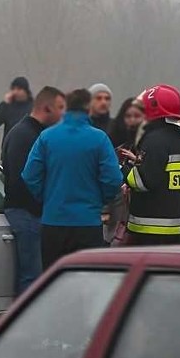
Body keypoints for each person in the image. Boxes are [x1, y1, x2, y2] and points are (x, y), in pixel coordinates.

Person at [22, 89, 123, 269]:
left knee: (53, 282)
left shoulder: (47, 137)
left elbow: (30, 175)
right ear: (88, 108)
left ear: (67, 108)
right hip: (88, 222)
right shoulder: (99, 139)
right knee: (86, 280)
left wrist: (47, 197)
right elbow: (113, 179)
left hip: (53, 222)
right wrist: (100, 200)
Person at [2, 86, 66, 294]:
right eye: (60, 107)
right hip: (26, 214)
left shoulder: (30, 132)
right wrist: (44, 202)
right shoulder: (25, 136)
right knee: (31, 276)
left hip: (31, 213)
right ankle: (25, 322)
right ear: (47, 108)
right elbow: (22, 181)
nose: (63, 113)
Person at [121, 84, 180, 245]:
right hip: (175, 224)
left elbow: (142, 181)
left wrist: (124, 168)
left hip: (148, 227)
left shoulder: (153, 139)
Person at [104, 98, 146, 244]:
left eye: (137, 116)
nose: (132, 121)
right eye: (128, 116)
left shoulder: (147, 141)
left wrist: (136, 160)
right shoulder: (113, 137)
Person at [0, 77, 34, 148]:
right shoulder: (8, 106)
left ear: (25, 91)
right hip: (10, 150)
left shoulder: (33, 107)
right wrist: (4, 103)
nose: (15, 92)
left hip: (28, 149)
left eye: (19, 89)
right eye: (13, 89)